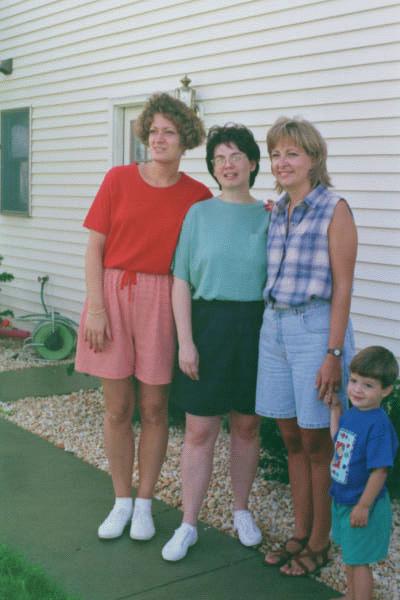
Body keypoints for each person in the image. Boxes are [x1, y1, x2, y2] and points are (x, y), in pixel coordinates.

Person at [75, 93, 212, 541]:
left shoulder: (197, 196)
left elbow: (213, 242)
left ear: (184, 140)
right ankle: (121, 500)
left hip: (162, 299)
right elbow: (94, 248)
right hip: (112, 295)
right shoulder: (117, 179)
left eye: (168, 132)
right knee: (118, 409)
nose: (158, 139)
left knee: (154, 408)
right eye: (153, 131)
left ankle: (145, 504)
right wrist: (96, 308)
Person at [161, 124, 271, 561]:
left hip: (255, 327)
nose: (227, 165)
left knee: (246, 426)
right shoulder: (198, 214)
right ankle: (188, 523)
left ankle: (241, 510)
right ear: (212, 166)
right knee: (199, 429)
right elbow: (181, 280)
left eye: (236, 156)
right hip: (207, 326)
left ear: (252, 163)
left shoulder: (270, 215)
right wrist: (186, 342)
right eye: (219, 158)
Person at [256, 116, 357, 576]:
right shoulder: (278, 210)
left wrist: (333, 354)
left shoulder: (335, 209)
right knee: (291, 437)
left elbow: (343, 288)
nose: (282, 162)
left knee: (317, 439)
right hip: (274, 328)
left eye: (292, 153)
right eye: (276, 154)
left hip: (314, 329)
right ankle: (300, 531)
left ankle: (320, 542)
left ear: (314, 159)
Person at [327, 346, 399, 600]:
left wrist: (364, 506)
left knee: (359, 562)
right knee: (350, 555)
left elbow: (380, 471)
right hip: (343, 499)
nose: (357, 389)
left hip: (362, 503)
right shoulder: (353, 414)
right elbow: (339, 441)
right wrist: (335, 412)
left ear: (386, 390)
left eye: (368, 385)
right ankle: (351, 596)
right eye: (354, 381)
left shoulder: (378, 425)